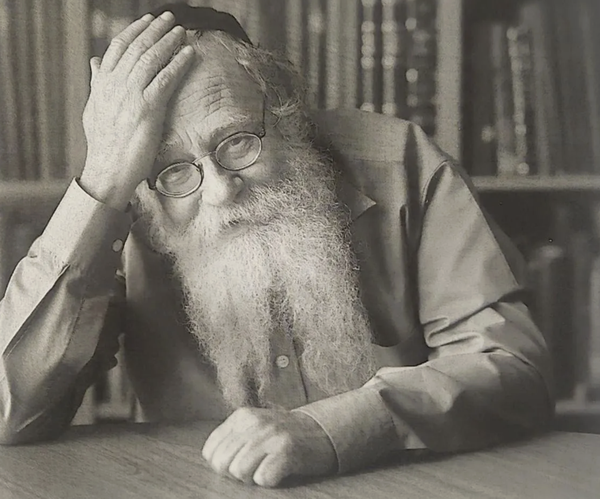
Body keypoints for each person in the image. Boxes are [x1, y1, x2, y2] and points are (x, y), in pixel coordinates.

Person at [0, 4, 553, 489]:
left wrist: (334, 429)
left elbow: (512, 367)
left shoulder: (402, 162)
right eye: (174, 170)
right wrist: (102, 181)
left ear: (283, 110)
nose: (220, 191)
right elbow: (11, 412)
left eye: (238, 140)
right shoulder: (128, 210)